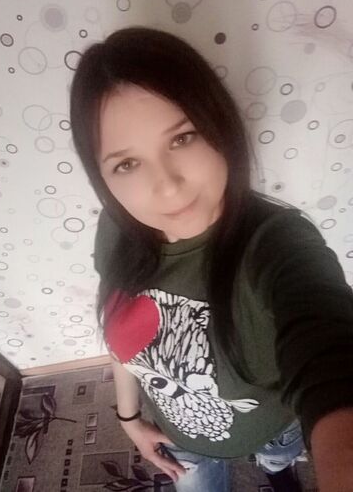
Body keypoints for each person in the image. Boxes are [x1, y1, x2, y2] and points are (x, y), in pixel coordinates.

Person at [69, 26, 353, 492]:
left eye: (183, 138)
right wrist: (129, 418)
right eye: (127, 164)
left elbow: (332, 354)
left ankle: (278, 470)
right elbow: (123, 334)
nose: (168, 186)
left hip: (274, 428)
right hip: (181, 442)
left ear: (219, 124)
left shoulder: (278, 245)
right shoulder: (116, 229)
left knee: (279, 462)